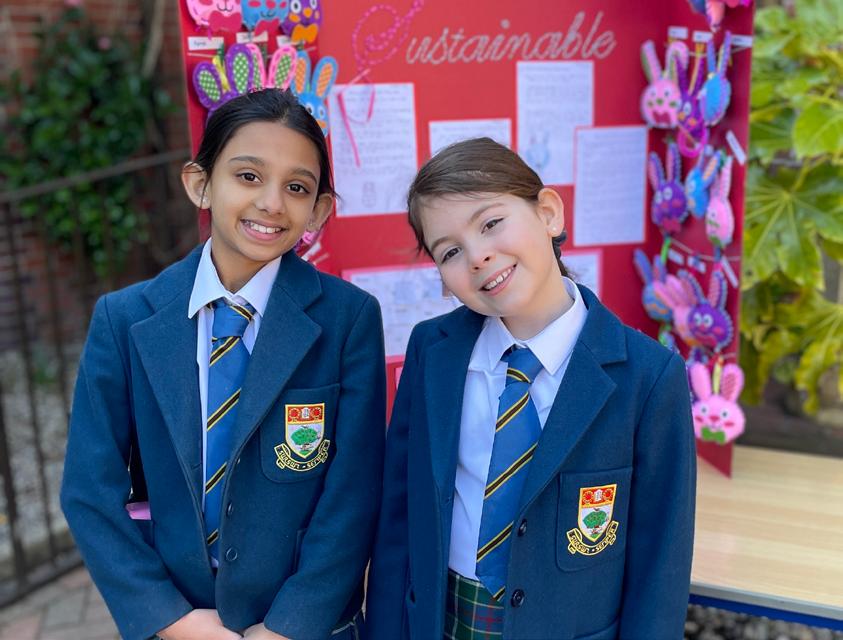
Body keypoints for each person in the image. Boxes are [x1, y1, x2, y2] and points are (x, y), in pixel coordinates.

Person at [61, 89, 386, 640]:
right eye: (248, 176)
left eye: (297, 187)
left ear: (319, 210)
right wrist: (170, 618)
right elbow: (90, 492)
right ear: (201, 184)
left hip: (306, 625)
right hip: (181, 620)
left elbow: (353, 492)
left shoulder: (348, 318)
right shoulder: (125, 320)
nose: (272, 203)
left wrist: (289, 625)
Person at [364, 137, 695, 640]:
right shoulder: (432, 351)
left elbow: (660, 565)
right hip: (444, 622)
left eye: (491, 223)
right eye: (450, 251)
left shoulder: (649, 376)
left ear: (548, 213)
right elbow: (398, 520)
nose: (478, 256)